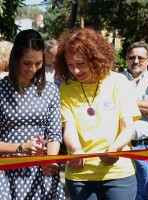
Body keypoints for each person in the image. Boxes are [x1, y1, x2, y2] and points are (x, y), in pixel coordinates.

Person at [54, 28, 141, 200]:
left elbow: (127, 127)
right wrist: (76, 149)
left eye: (80, 63)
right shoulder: (66, 89)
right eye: (70, 65)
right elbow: (69, 128)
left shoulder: (118, 82)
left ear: (95, 58)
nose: (75, 71)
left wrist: (114, 149)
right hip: (80, 175)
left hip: (118, 174)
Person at [0, 29, 65, 199]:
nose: (33, 69)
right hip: (6, 174)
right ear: (15, 58)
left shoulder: (50, 91)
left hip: (41, 174)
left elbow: (54, 133)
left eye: (38, 63)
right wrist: (21, 148)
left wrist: (51, 160)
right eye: (27, 63)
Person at [122, 41, 148, 200]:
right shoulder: (116, 79)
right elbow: (111, 108)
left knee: (143, 194)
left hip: (147, 146)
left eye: (140, 57)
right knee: (121, 193)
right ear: (126, 59)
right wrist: (146, 107)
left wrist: (125, 103)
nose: (136, 61)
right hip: (122, 146)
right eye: (132, 57)